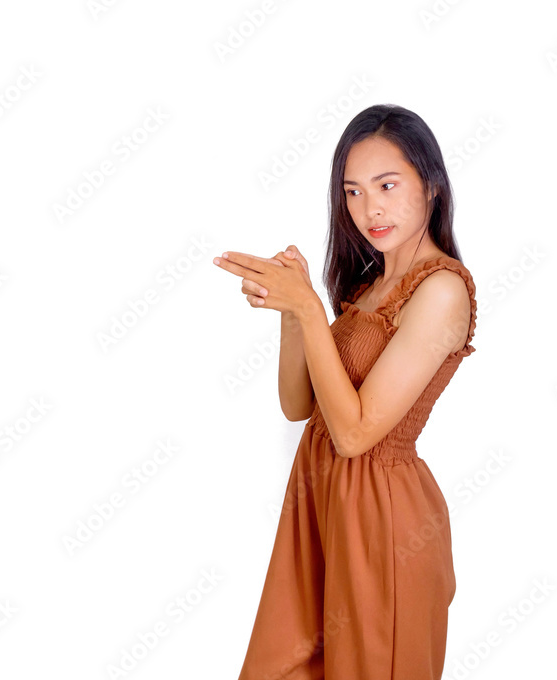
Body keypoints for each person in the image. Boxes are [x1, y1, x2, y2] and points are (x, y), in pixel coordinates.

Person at [213, 103, 478, 680]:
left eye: (387, 185)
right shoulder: (368, 285)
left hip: (383, 523)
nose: (368, 208)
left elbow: (355, 435)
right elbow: (300, 408)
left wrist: (310, 309)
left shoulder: (442, 291)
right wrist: (292, 311)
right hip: (321, 508)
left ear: (432, 185)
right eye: (352, 191)